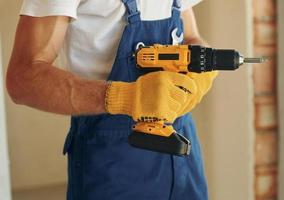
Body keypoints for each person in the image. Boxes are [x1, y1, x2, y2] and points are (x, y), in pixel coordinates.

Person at [6, 0, 218, 199]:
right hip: (113, 158)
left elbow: (190, 37)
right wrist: (124, 98)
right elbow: (23, 77)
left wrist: (202, 69)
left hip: (182, 148)